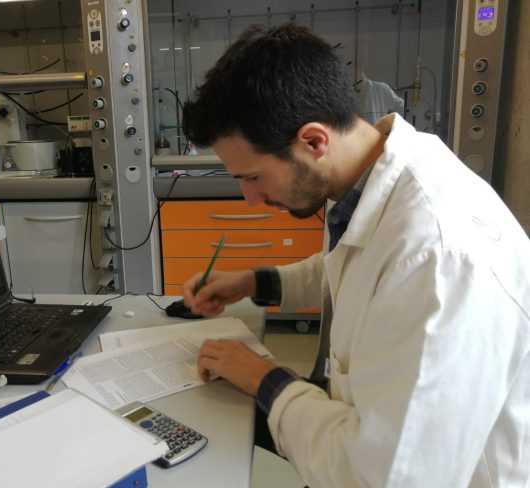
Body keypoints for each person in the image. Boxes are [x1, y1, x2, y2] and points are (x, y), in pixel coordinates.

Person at [180, 23, 530, 487]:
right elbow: (354, 267)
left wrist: (264, 378)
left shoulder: (437, 257)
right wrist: (252, 281)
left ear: (313, 141)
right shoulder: (367, 175)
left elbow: (384, 479)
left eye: (253, 177)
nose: (250, 199)